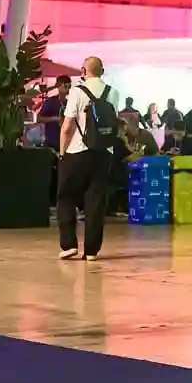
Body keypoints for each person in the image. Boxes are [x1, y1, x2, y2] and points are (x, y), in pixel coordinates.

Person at [58, 56, 117, 261]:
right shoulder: (113, 92)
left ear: (84, 70)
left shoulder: (76, 92)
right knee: (96, 201)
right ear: (102, 71)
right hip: (104, 153)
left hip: (77, 152)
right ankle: (91, 251)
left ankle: (68, 245)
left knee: (66, 197)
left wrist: (62, 152)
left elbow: (67, 127)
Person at [38, 76, 71, 151]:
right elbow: (39, 118)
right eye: (65, 86)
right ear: (58, 86)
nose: (68, 90)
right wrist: (55, 119)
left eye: (69, 87)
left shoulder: (69, 103)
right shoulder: (51, 101)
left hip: (66, 142)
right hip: (52, 142)